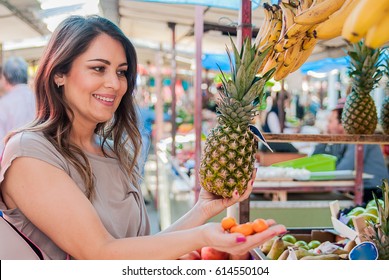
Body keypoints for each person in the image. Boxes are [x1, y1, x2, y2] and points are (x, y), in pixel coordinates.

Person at [0, 15, 286, 260]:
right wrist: (201, 236)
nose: (114, 83)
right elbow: (101, 254)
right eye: (98, 68)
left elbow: (135, 252)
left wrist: (203, 209)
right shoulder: (29, 152)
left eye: (121, 72)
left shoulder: (112, 153)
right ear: (59, 73)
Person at [312, 103, 389, 203]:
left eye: (330, 121)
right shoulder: (342, 141)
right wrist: (324, 140)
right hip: (362, 189)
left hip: (374, 193)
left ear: (342, 123)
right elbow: (322, 158)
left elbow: (342, 169)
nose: (327, 125)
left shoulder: (359, 139)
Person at [0, 57, 36, 154]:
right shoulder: (39, 98)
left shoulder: (4, 104)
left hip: (13, 159)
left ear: (5, 78)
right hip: (41, 157)